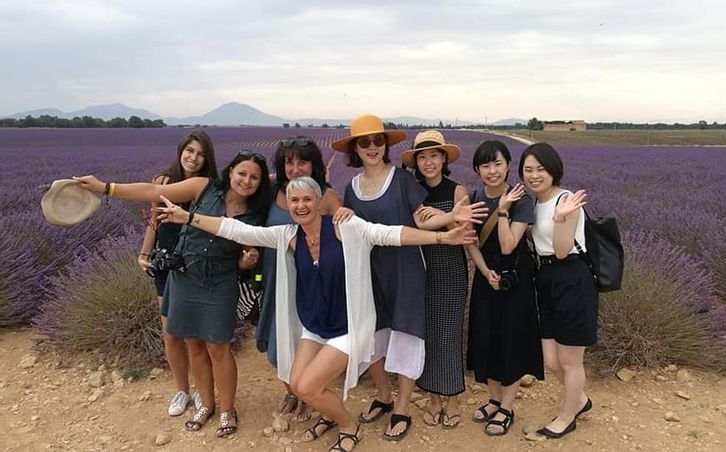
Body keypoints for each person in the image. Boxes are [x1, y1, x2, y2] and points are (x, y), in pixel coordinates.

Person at [154, 176, 478, 452]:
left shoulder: (345, 228)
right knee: (296, 384)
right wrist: (188, 218)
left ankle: (349, 426)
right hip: (315, 326)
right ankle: (328, 414)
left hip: (348, 327)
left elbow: (392, 233)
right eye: (294, 200)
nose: (300, 205)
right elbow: (236, 230)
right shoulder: (288, 236)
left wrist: (442, 236)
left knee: (307, 387)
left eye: (307, 199)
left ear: (320, 201)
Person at [74, 150, 271, 437]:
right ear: (230, 172)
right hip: (185, 277)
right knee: (194, 345)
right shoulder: (203, 187)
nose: (247, 180)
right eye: (242, 173)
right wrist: (106, 187)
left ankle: (227, 408)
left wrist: (247, 262)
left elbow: (242, 260)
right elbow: (154, 190)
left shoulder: (256, 214)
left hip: (220, 282)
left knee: (219, 348)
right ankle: (206, 405)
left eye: (254, 177)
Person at [399, 130, 486, 429]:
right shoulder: (411, 189)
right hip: (419, 270)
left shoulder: (457, 190)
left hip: (449, 270)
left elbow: (466, 233)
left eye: (434, 155)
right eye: (422, 157)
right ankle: (433, 399)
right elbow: (415, 223)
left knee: (448, 336)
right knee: (427, 336)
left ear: (444, 158)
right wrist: (450, 219)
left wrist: (483, 269)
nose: (428, 162)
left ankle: (451, 400)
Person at [465, 140, 544, 437]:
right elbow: (469, 241)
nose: (492, 170)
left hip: (516, 280)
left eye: (497, 163)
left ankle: (507, 407)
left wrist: (501, 210)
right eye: (485, 165)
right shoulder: (473, 197)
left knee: (510, 341)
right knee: (486, 337)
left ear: (509, 165)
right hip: (487, 278)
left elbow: (510, 244)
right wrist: (485, 273)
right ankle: (494, 398)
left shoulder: (522, 199)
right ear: (477, 169)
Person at [137, 131, 219, 416]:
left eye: (200, 154)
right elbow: (154, 223)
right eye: (190, 151)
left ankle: (202, 391)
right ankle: (181, 390)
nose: (194, 158)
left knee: (194, 337)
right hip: (164, 263)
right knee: (171, 333)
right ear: (181, 151)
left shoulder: (209, 188)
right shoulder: (162, 182)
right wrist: (144, 253)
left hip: (195, 265)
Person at [261, 137, 342, 422]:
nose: (295, 169)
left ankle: (309, 392)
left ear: (314, 165)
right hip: (276, 279)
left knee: (308, 338)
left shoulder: (327, 196)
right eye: (289, 162)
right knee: (277, 346)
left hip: (312, 282)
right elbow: (237, 184)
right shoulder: (272, 192)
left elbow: (345, 235)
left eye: (302, 161)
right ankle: (293, 390)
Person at [519, 143, 594, 439]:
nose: (535, 175)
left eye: (541, 169)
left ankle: (567, 416)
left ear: (553, 170)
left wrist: (562, 217)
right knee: (551, 360)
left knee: (570, 360)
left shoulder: (568, 201)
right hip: (546, 278)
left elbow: (562, 251)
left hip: (572, 278)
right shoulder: (535, 203)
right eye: (528, 170)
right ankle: (581, 399)